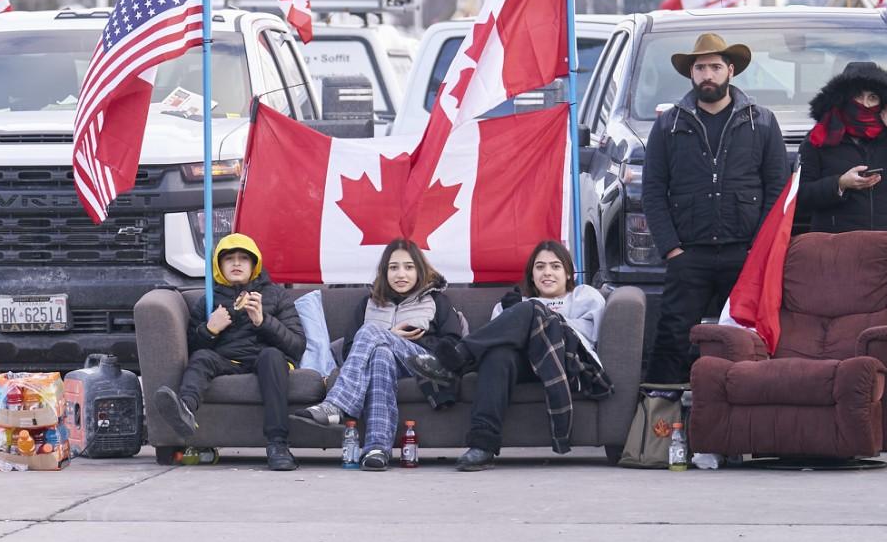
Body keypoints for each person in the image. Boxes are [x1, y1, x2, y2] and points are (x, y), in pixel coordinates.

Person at [642, 32, 789, 385]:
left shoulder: (762, 121)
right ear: (691, 74)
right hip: (688, 254)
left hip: (744, 255)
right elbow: (653, 191)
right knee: (672, 337)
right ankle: (661, 412)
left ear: (731, 71)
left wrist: (758, 249)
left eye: (715, 67)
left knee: (746, 339)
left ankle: (746, 411)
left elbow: (777, 190)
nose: (707, 75)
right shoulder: (668, 125)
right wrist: (672, 249)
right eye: (700, 68)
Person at [404, 241, 611, 471]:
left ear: (569, 273)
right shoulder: (517, 303)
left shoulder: (584, 296)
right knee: (498, 356)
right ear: (532, 275)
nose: (547, 272)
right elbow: (495, 341)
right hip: (527, 365)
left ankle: (454, 361)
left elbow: (588, 334)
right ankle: (482, 445)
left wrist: (539, 317)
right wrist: (511, 312)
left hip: (566, 361)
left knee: (533, 310)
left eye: (555, 266)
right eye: (540, 267)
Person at [288, 238, 464, 470]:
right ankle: (377, 448)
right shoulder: (369, 303)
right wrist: (388, 336)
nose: (401, 274)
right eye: (393, 267)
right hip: (387, 365)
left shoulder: (437, 300)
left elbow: (453, 345)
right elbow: (350, 350)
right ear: (385, 271)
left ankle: (337, 405)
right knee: (381, 355)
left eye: (409, 267)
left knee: (370, 331)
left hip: (426, 365)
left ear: (419, 270)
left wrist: (402, 338)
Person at [151, 232, 306, 471]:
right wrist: (209, 330)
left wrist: (263, 321)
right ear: (219, 265)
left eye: (243, 258)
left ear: (253, 264)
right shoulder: (208, 300)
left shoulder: (275, 295)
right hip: (227, 361)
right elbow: (190, 350)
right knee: (202, 358)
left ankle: (278, 446)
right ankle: (185, 410)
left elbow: (296, 345)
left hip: (266, 360)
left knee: (272, 356)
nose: (236, 263)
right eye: (229, 258)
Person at [797, 60, 887, 235]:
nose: (865, 104)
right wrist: (840, 184)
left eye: (872, 97)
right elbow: (801, 196)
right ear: (844, 98)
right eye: (858, 96)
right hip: (836, 243)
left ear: (883, 102)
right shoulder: (820, 137)